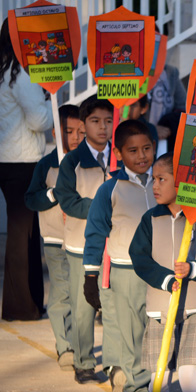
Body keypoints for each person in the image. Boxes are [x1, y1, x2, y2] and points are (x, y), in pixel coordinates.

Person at [129, 153, 196, 392]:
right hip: (160, 307)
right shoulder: (150, 219)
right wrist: (165, 279)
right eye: (153, 179)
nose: (154, 185)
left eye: (161, 179)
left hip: (195, 306)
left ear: (181, 181)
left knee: (189, 378)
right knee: (159, 378)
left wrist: (193, 268)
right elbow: (139, 258)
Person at [83, 120, 156, 392]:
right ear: (119, 154)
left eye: (147, 148)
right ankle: (135, 386)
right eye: (133, 150)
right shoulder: (109, 189)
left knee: (160, 331)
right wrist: (91, 274)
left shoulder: (166, 182)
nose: (142, 156)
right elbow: (94, 233)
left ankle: (156, 382)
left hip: (162, 272)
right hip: (126, 273)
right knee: (132, 335)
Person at [54, 94, 116, 384]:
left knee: (115, 305)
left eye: (107, 121)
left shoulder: (121, 156)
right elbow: (67, 201)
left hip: (116, 246)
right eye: (95, 121)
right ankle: (84, 362)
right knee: (84, 308)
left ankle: (116, 362)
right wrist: (101, 206)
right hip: (81, 246)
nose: (102, 127)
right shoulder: (72, 161)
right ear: (83, 123)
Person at [0, 17, 53, 321]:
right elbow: (40, 121)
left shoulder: (2, 69)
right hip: (22, 161)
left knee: (26, 235)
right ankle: (22, 308)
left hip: (6, 160)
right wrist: (47, 98)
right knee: (24, 236)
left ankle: (29, 304)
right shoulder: (21, 74)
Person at [24, 104, 84, 369]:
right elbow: (30, 199)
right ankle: (65, 346)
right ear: (54, 132)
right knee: (61, 292)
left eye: (80, 131)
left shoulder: (91, 162)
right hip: (56, 239)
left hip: (84, 240)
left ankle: (81, 344)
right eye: (68, 131)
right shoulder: (47, 164)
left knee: (81, 293)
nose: (74, 137)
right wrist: (51, 194)